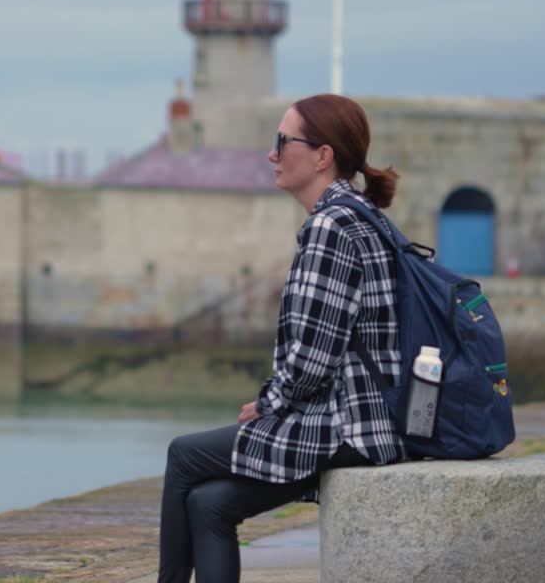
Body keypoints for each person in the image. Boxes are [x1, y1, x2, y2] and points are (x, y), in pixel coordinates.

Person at [157, 94, 406, 583]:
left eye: (282, 142)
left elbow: (312, 363)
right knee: (209, 505)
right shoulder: (361, 214)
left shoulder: (332, 226)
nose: (272, 154)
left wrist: (267, 402)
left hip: (348, 424)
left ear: (322, 156)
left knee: (183, 456)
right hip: (369, 419)